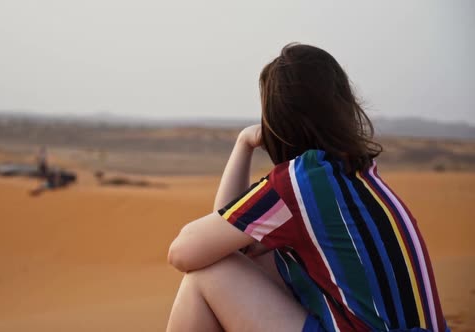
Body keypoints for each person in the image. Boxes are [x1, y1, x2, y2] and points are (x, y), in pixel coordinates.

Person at [166, 43, 449, 332]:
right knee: (256, 258)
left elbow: (184, 252)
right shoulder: (358, 173)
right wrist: (244, 144)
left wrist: (244, 142)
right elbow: (228, 239)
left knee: (208, 273)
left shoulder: (300, 182)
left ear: (276, 118)